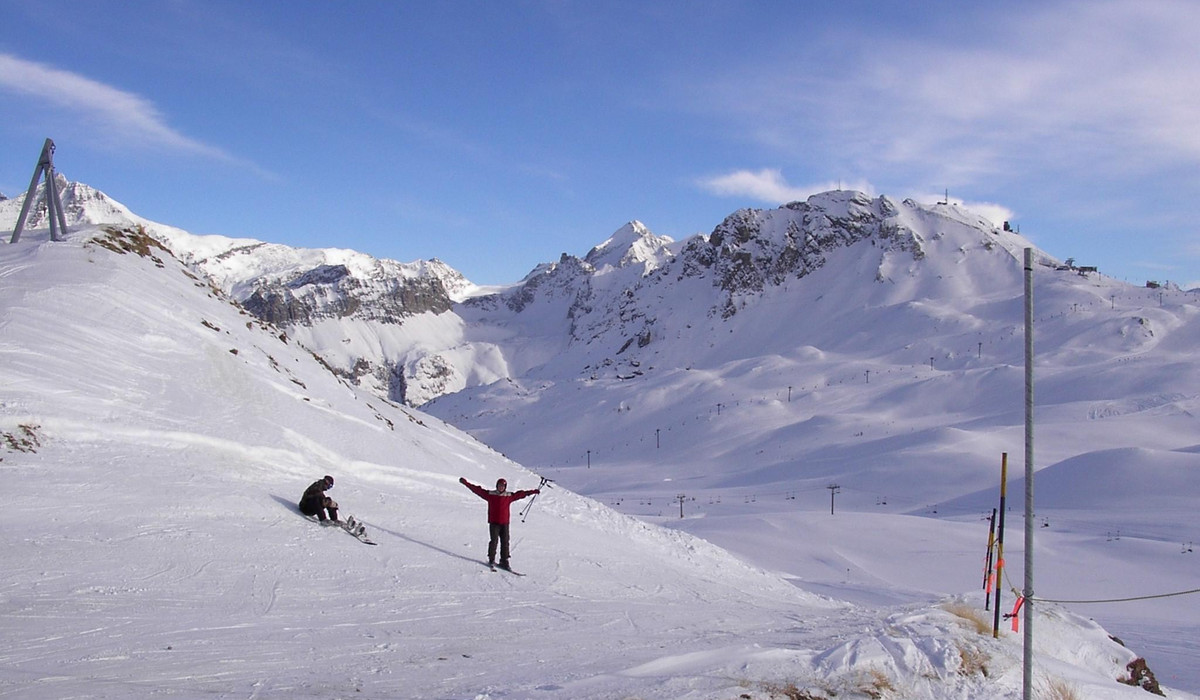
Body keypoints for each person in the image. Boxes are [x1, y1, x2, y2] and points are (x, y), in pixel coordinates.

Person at [459, 476, 539, 570]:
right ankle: (491, 559)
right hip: (494, 523)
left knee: (505, 542)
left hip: (505, 523)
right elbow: (477, 490)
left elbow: (521, 494)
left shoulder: (509, 496)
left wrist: (533, 491)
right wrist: (466, 483)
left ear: (505, 487)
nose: (501, 487)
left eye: (503, 486)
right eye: (499, 485)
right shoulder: (490, 494)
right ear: (496, 486)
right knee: (494, 541)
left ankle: (504, 561)